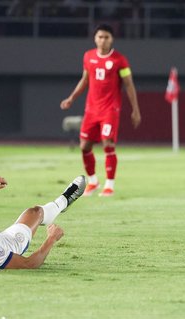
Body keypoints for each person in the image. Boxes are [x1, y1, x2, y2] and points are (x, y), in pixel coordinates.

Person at [60, 24, 141, 197]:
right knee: (84, 147)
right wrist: (71, 98)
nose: (103, 40)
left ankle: (109, 185)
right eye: (100, 37)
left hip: (110, 110)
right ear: (95, 38)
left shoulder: (120, 60)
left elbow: (129, 85)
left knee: (108, 143)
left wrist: (135, 109)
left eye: (106, 37)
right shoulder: (88, 57)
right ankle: (93, 182)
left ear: (112, 39)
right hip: (91, 110)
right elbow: (85, 79)